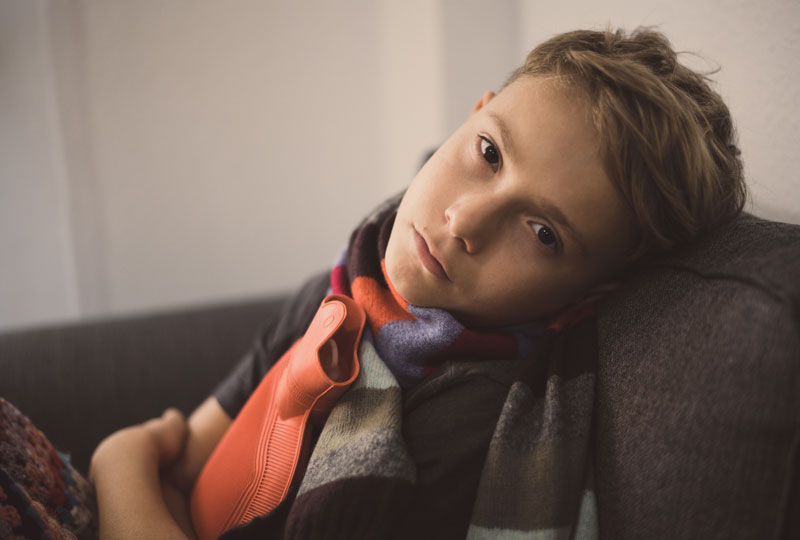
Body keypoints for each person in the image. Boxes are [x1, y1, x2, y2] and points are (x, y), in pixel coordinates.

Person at [2, 27, 745, 540]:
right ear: (474, 115)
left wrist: (117, 458)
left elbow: (152, 456)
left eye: (543, 233)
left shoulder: (466, 427)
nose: (465, 222)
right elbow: (193, 457)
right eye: (488, 153)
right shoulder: (342, 293)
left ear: (585, 296)